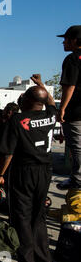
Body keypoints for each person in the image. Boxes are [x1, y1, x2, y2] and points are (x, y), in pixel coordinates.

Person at [0, 79, 57, 262]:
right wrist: (43, 88)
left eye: (23, 97)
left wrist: (1, 174)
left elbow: (8, 153)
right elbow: (51, 103)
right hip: (45, 171)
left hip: (24, 171)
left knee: (21, 217)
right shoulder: (50, 115)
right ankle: (44, 258)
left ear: (28, 100)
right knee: (38, 215)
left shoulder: (18, 120)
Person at [57, 25, 81, 190]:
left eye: (65, 39)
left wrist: (63, 108)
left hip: (76, 112)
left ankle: (78, 179)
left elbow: (69, 86)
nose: (63, 42)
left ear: (74, 41)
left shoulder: (72, 59)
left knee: (77, 146)